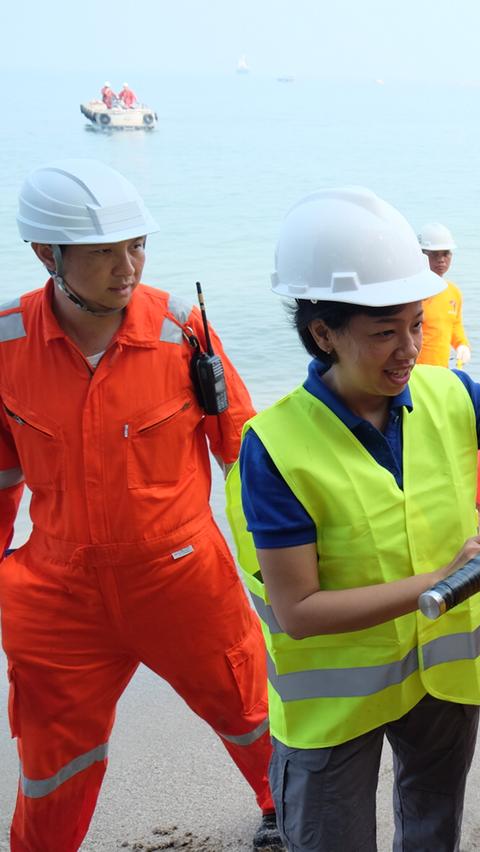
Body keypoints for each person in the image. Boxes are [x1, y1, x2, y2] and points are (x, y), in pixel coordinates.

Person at [226, 186, 480, 851]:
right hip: (333, 704)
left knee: (431, 828)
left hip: (441, 681)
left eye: (417, 325)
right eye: (384, 332)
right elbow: (298, 610)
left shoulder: (446, 393)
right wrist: (444, 581)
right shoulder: (275, 447)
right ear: (323, 333)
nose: (408, 349)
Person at [0, 159, 280, 850]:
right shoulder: (6, 343)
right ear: (46, 254)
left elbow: (247, 457)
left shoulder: (182, 331)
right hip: (58, 595)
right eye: (103, 252)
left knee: (251, 711)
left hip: (183, 577)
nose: (126, 268)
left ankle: (287, 811)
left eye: (137, 246)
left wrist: (285, 567)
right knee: (51, 762)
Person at [415, 223, 471, 368]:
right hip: (414, 372)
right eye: (434, 254)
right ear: (421, 255)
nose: (441, 260)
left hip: (441, 371)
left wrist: (462, 345)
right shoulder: (413, 294)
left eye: (446, 253)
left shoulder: (453, 292)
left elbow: (455, 325)